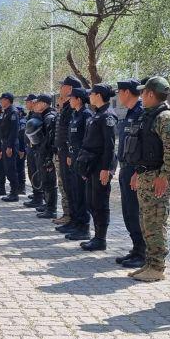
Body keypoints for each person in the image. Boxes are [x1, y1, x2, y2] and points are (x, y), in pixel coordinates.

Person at [125, 77, 170, 282]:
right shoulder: (150, 115)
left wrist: (164, 176)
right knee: (147, 222)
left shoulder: (165, 118)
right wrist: (137, 172)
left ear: (150, 94)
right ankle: (150, 263)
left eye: (143, 93)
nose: (141, 96)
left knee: (156, 222)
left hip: (158, 179)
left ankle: (158, 267)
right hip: (146, 176)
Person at [77, 84, 118, 251]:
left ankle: (101, 239)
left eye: (92, 94)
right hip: (91, 165)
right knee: (91, 202)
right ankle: (97, 236)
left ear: (99, 95)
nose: (89, 96)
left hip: (101, 166)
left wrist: (106, 168)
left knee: (100, 203)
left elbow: (109, 146)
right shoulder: (97, 114)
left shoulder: (107, 116)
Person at [115, 79, 146, 268]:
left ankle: (142, 252)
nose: (118, 95)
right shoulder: (130, 112)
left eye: (119, 91)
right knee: (128, 212)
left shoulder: (142, 113)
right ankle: (136, 248)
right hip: (125, 168)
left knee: (136, 212)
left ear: (127, 92)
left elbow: (144, 146)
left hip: (135, 170)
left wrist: (138, 171)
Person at [58, 87, 91, 240]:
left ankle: (83, 227)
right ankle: (75, 222)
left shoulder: (85, 115)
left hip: (81, 159)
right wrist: (70, 154)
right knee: (73, 191)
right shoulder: (75, 114)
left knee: (81, 194)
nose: (69, 100)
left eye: (71, 98)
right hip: (73, 157)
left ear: (78, 99)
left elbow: (86, 140)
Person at [55, 76, 81, 225]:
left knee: (71, 186)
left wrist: (69, 153)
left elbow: (71, 134)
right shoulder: (65, 107)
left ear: (70, 89)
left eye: (63, 86)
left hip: (69, 153)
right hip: (62, 151)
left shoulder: (72, 109)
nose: (60, 88)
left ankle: (73, 218)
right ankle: (69, 215)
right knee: (65, 185)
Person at [31, 95, 59, 219]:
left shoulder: (49, 117)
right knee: (45, 180)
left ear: (44, 104)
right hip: (42, 153)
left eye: (38, 103)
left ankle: (51, 209)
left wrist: (48, 157)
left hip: (47, 155)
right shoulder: (43, 116)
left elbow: (50, 140)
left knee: (49, 182)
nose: (35, 105)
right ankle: (47, 204)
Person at [0, 93, 22, 202]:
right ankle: (12, 192)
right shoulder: (6, 112)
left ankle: (14, 193)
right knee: (7, 168)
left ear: (7, 100)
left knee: (11, 169)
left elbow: (14, 130)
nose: (1, 101)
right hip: (5, 143)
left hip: (10, 144)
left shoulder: (13, 112)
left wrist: (10, 146)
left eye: (2, 99)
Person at [22, 95, 44, 209]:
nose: (27, 104)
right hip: (30, 147)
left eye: (28, 102)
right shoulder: (30, 114)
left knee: (36, 173)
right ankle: (37, 195)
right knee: (31, 172)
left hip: (36, 148)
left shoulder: (39, 115)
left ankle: (39, 197)